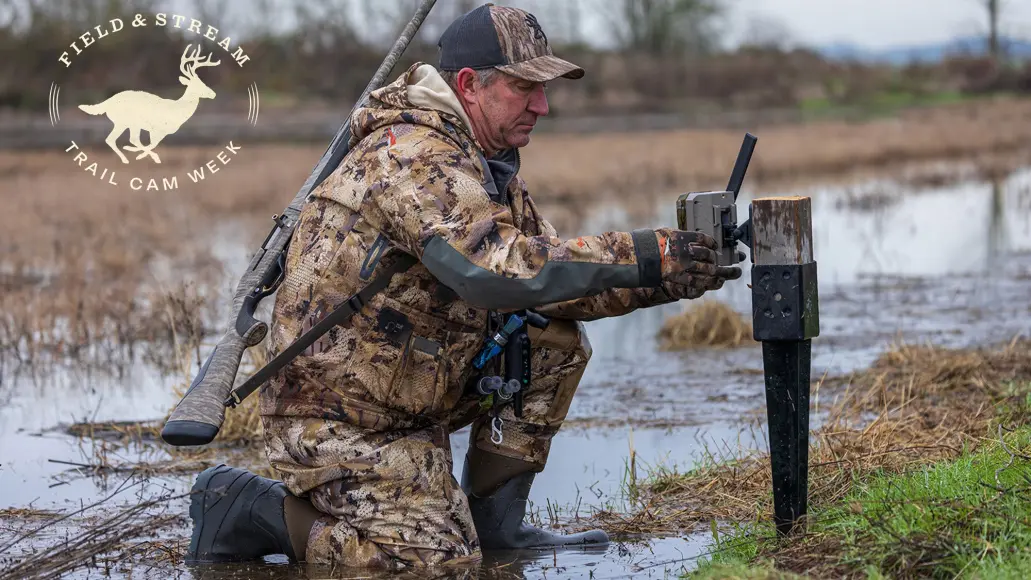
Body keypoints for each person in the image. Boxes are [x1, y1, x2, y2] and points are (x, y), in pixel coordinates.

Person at [186, 2, 742, 573]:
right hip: (337, 416)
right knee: (436, 565)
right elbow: (499, 271)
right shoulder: (412, 157)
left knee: (550, 338)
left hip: (408, 393)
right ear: (471, 85)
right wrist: (647, 255)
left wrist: (671, 274)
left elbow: (548, 286)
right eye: (526, 87)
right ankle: (242, 507)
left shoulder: (486, 163)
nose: (542, 106)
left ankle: (497, 526)